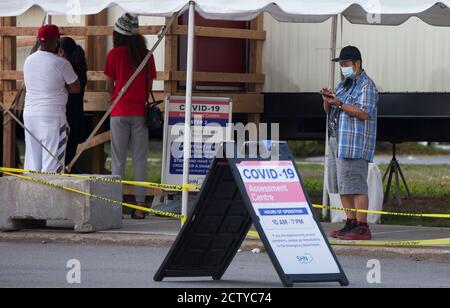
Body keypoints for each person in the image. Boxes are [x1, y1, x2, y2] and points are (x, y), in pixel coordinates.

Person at [320, 46, 378, 240]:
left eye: (345, 64)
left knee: (356, 185)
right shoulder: (343, 84)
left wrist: (340, 104)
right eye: (341, 65)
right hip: (337, 141)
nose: (342, 68)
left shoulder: (366, 86)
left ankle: (362, 226)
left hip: (354, 143)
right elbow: (329, 110)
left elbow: (363, 112)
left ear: (357, 63)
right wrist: (327, 99)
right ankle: (350, 223)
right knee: (342, 185)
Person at [104, 13, 157, 219]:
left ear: (119, 34)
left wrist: (113, 98)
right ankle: (140, 207)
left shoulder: (114, 54)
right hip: (139, 112)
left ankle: (116, 207)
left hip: (119, 111)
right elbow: (150, 84)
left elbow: (110, 82)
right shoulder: (147, 55)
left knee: (118, 160)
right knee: (140, 160)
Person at [23, 24, 81, 173]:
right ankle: (48, 196)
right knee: (52, 165)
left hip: (30, 114)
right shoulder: (61, 63)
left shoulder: (28, 60)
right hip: (52, 116)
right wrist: (61, 86)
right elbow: (76, 87)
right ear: (56, 42)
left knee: (32, 164)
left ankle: (30, 195)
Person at [59, 37, 88, 173]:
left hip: (66, 116)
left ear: (63, 52)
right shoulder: (80, 68)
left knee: (60, 155)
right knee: (70, 156)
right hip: (77, 115)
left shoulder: (66, 68)